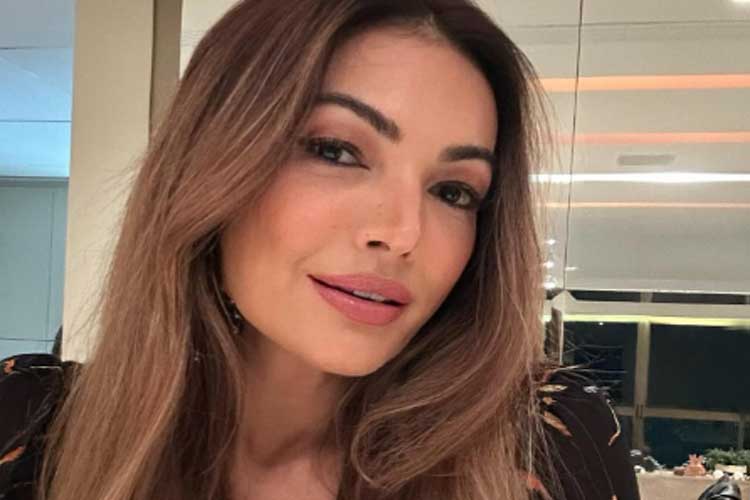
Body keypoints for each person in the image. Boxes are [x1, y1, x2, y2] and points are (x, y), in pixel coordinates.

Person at [0, 1, 640, 499]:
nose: (403, 233)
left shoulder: (548, 445)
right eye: (337, 151)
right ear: (211, 164)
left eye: (453, 191)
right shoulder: (25, 423)